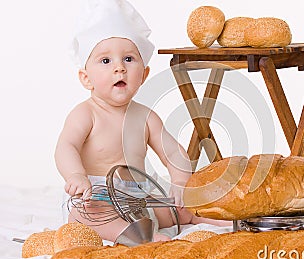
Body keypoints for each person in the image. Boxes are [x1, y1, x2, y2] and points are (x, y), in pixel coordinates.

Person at [55, 0, 230, 243]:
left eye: (128, 59)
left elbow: (172, 152)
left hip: (139, 198)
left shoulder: (145, 117)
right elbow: (66, 146)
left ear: (144, 75)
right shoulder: (86, 113)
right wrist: (75, 175)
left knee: (183, 207)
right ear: (86, 78)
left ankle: (222, 221)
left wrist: (180, 183)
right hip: (97, 198)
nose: (119, 68)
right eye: (106, 61)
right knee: (83, 215)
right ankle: (138, 236)